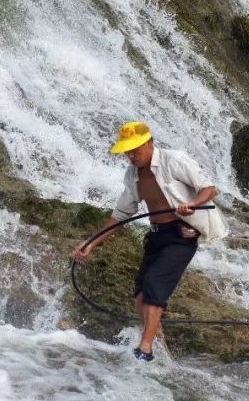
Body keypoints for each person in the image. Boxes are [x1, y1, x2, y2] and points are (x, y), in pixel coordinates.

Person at [72, 121, 227, 362]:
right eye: (127, 151)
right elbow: (121, 214)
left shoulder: (174, 160)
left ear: (149, 143)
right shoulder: (132, 175)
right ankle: (159, 345)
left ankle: (145, 350)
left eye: (135, 150)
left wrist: (193, 204)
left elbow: (209, 188)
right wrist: (91, 243)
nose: (131, 156)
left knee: (154, 286)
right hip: (156, 235)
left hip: (181, 235)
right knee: (141, 295)